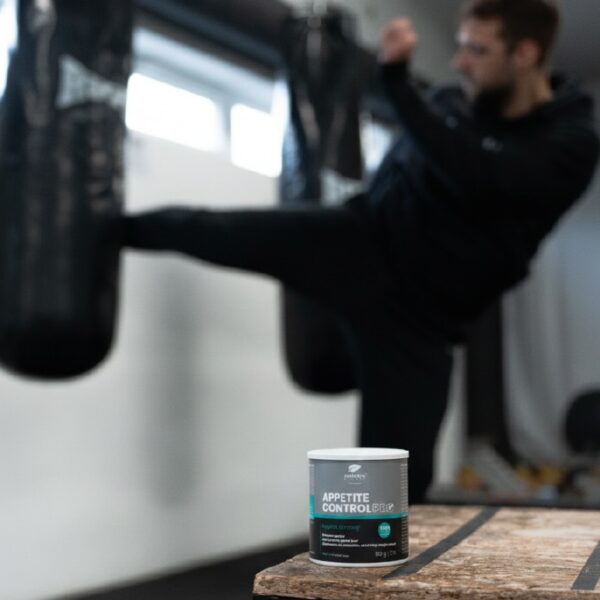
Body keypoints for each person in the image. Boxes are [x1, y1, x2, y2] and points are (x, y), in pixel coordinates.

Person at [125, 0, 599, 503]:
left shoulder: (570, 143)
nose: (460, 61)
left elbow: (481, 180)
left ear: (524, 54)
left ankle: (374, 554)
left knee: (396, 483)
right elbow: (409, 170)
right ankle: (110, 229)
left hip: (420, 318)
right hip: (361, 243)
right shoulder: (450, 104)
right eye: (461, 46)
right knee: (207, 229)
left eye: (477, 50)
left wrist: (395, 80)